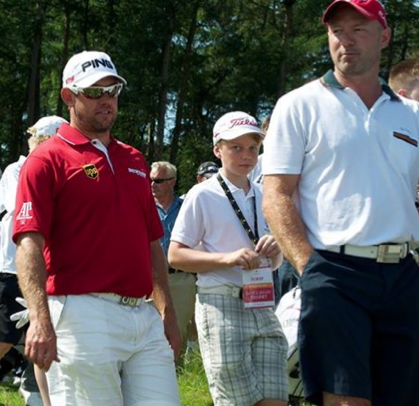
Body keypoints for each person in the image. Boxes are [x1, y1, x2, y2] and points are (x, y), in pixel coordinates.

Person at [262, 1, 419, 406]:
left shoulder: (411, 114)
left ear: (384, 37)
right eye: (337, 30)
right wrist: (309, 267)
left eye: (358, 29)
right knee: (346, 400)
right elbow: (276, 194)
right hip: (335, 273)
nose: (346, 40)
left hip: (404, 274)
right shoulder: (298, 105)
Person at [13, 50, 181, 406]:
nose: (105, 100)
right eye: (93, 91)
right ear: (68, 96)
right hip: (81, 315)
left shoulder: (134, 159)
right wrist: (40, 319)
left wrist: (167, 312)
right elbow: (28, 243)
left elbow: (152, 242)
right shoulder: (46, 159)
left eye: (112, 91)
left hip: (143, 315)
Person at [168, 111, 288, 406]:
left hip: (262, 300)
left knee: (276, 399)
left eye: (253, 148)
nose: (246, 155)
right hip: (220, 302)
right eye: (236, 147)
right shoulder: (202, 194)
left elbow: (274, 262)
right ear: (217, 150)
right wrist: (227, 259)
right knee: (238, 401)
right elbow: (175, 255)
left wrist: (276, 250)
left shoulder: (265, 194)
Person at [0, 115, 67, 406]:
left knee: (44, 339)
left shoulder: (60, 169)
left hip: (46, 270)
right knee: (4, 339)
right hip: (14, 269)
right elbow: (25, 207)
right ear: (44, 140)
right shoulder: (17, 169)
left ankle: (43, 400)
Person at [150, 161, 196, 357]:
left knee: (180, 330)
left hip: (181, 278)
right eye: (151, 180)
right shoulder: (144, 207)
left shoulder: (187, 207)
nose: (153, 185)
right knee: (152, 331)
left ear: (172, 182)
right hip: (151, 279)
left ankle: (178, 372)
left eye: (158, 180)